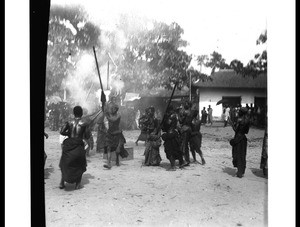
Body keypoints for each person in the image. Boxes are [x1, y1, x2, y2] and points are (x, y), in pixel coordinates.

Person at [59, 106, 93, 190]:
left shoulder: (69, 122)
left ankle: (62, 182)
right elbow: (88, 135)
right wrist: (81, 135)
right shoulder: (85, 123)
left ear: (73, 113)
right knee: (80, 163)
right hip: (78, 144)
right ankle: (77, 184)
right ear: (81, 113)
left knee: (64, 163)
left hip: (69, 144)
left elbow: (62, 131)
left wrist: (69, 134)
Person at [103, 102, 127, 169]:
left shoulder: (118, 115)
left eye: (113, 109)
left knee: (117, 150)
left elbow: (113, 120)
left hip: (117, 134)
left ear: (116, 110)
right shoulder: (108, 115)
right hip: (110, 133)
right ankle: (108, 163)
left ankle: (117, 160)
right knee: (108, 148)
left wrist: (106, 115)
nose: (112, 110)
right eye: (111, 108)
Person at [161, 105, 185, 170]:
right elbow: (177, 126)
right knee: (177, 150)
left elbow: (166, 126)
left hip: (170, 134)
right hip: (174, 133)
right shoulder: (175, 116)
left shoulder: (170, 117)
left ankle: (173, 166)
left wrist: (163, 122)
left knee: (170, 151)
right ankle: (181, 163)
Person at [229, 107, 250, 178]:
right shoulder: (247, 120)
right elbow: (246, 132)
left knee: (237, 154)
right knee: (242, 155)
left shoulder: (239, 120)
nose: (238, 112)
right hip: (243, 139)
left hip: (238, 138)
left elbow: (236, 130)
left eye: (239, 111)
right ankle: (241, 171)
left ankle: (239, 172)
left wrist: (231, 124)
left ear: (241, 112)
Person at [178, 101, 193, 165]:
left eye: (185, 104)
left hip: (185, 129)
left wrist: (179, 115)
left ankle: (185, 160)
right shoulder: (190, 112)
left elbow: (181, 121)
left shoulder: (185, 112)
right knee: (186, 145)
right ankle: (187, 160)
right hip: (189, 129)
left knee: (183, 145)